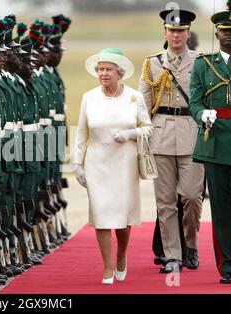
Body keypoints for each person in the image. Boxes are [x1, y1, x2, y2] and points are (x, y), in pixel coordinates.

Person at [73, 48, 153, 284]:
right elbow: (81, 134)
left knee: (123, 218)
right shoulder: (89, 97)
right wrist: (77, 163)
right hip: (97, 162)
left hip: (125, 163)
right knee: (101, 215)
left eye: (108, 69)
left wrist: (131, 133)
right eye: (100, 69)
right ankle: (108, 267)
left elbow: (148, 127)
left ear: (119, 73)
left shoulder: (134, 97)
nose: (103, 73)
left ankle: (121, 255)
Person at [138, 9, 205, 273]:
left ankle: (192, 245)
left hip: (192, 134)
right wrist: (144, 138)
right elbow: (144, 106)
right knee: (165, 201)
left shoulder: (201, 62)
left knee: (191, 197)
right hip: (161, 135)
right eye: (172, 30)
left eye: (181, 31)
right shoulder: (151, 64)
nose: (176, 35)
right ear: (165, 33)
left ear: (188, 34)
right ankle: (172, 256)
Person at [189, 1, 231, 284]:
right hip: (214, 145)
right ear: (216, 34)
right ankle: (228, 267)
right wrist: (203, 116)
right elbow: (195, 102)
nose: (229, 35)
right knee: (221, 207)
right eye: (224, 31)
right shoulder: (203, 65)